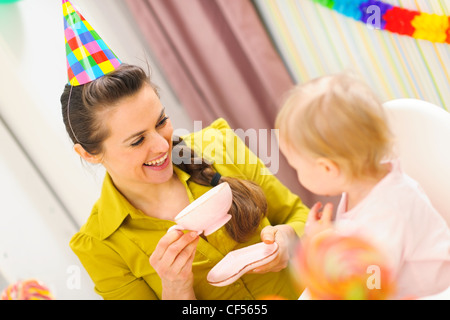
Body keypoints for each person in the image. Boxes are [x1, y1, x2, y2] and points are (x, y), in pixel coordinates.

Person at [61, 64, 309, 300]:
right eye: (137, 141)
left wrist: (289, 237)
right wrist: (175, 288)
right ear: (89, 154)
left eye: (161, 122)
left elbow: (302, 217)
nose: (162, 145)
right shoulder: (100, 245)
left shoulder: (219, 146)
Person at [275, 73, 450, 299]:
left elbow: (372, 286)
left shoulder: (387, 215)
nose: (296, 173)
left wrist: (323, 246)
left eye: (296, 166)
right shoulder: (366, 187)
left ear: (328, 168)